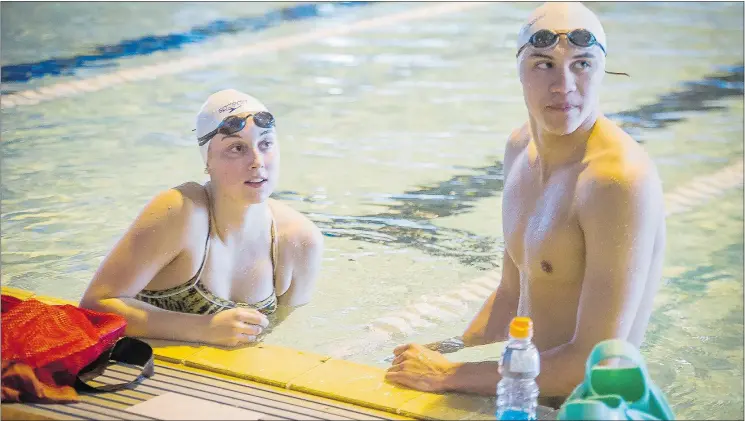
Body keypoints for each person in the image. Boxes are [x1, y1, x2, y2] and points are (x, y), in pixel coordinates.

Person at [385, 1, 666, 406]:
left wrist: (448, 375)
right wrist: (444, 350)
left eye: (582, 64)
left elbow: (592, 362)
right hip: (520, 387)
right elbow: (512, 292)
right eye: (543, 64)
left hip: (585, 405)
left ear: (603, 69)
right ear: (517, 69)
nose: (563, 86)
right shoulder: (520, 149)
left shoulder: (616, 181)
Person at [80, 89, 324, 347]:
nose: (257, 161)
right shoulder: (180, 212)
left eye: (265, 143)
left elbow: (288, 340)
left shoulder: (300, 241)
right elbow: (95, 307)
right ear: (208, 162)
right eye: (236, 148)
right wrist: (203, 328)